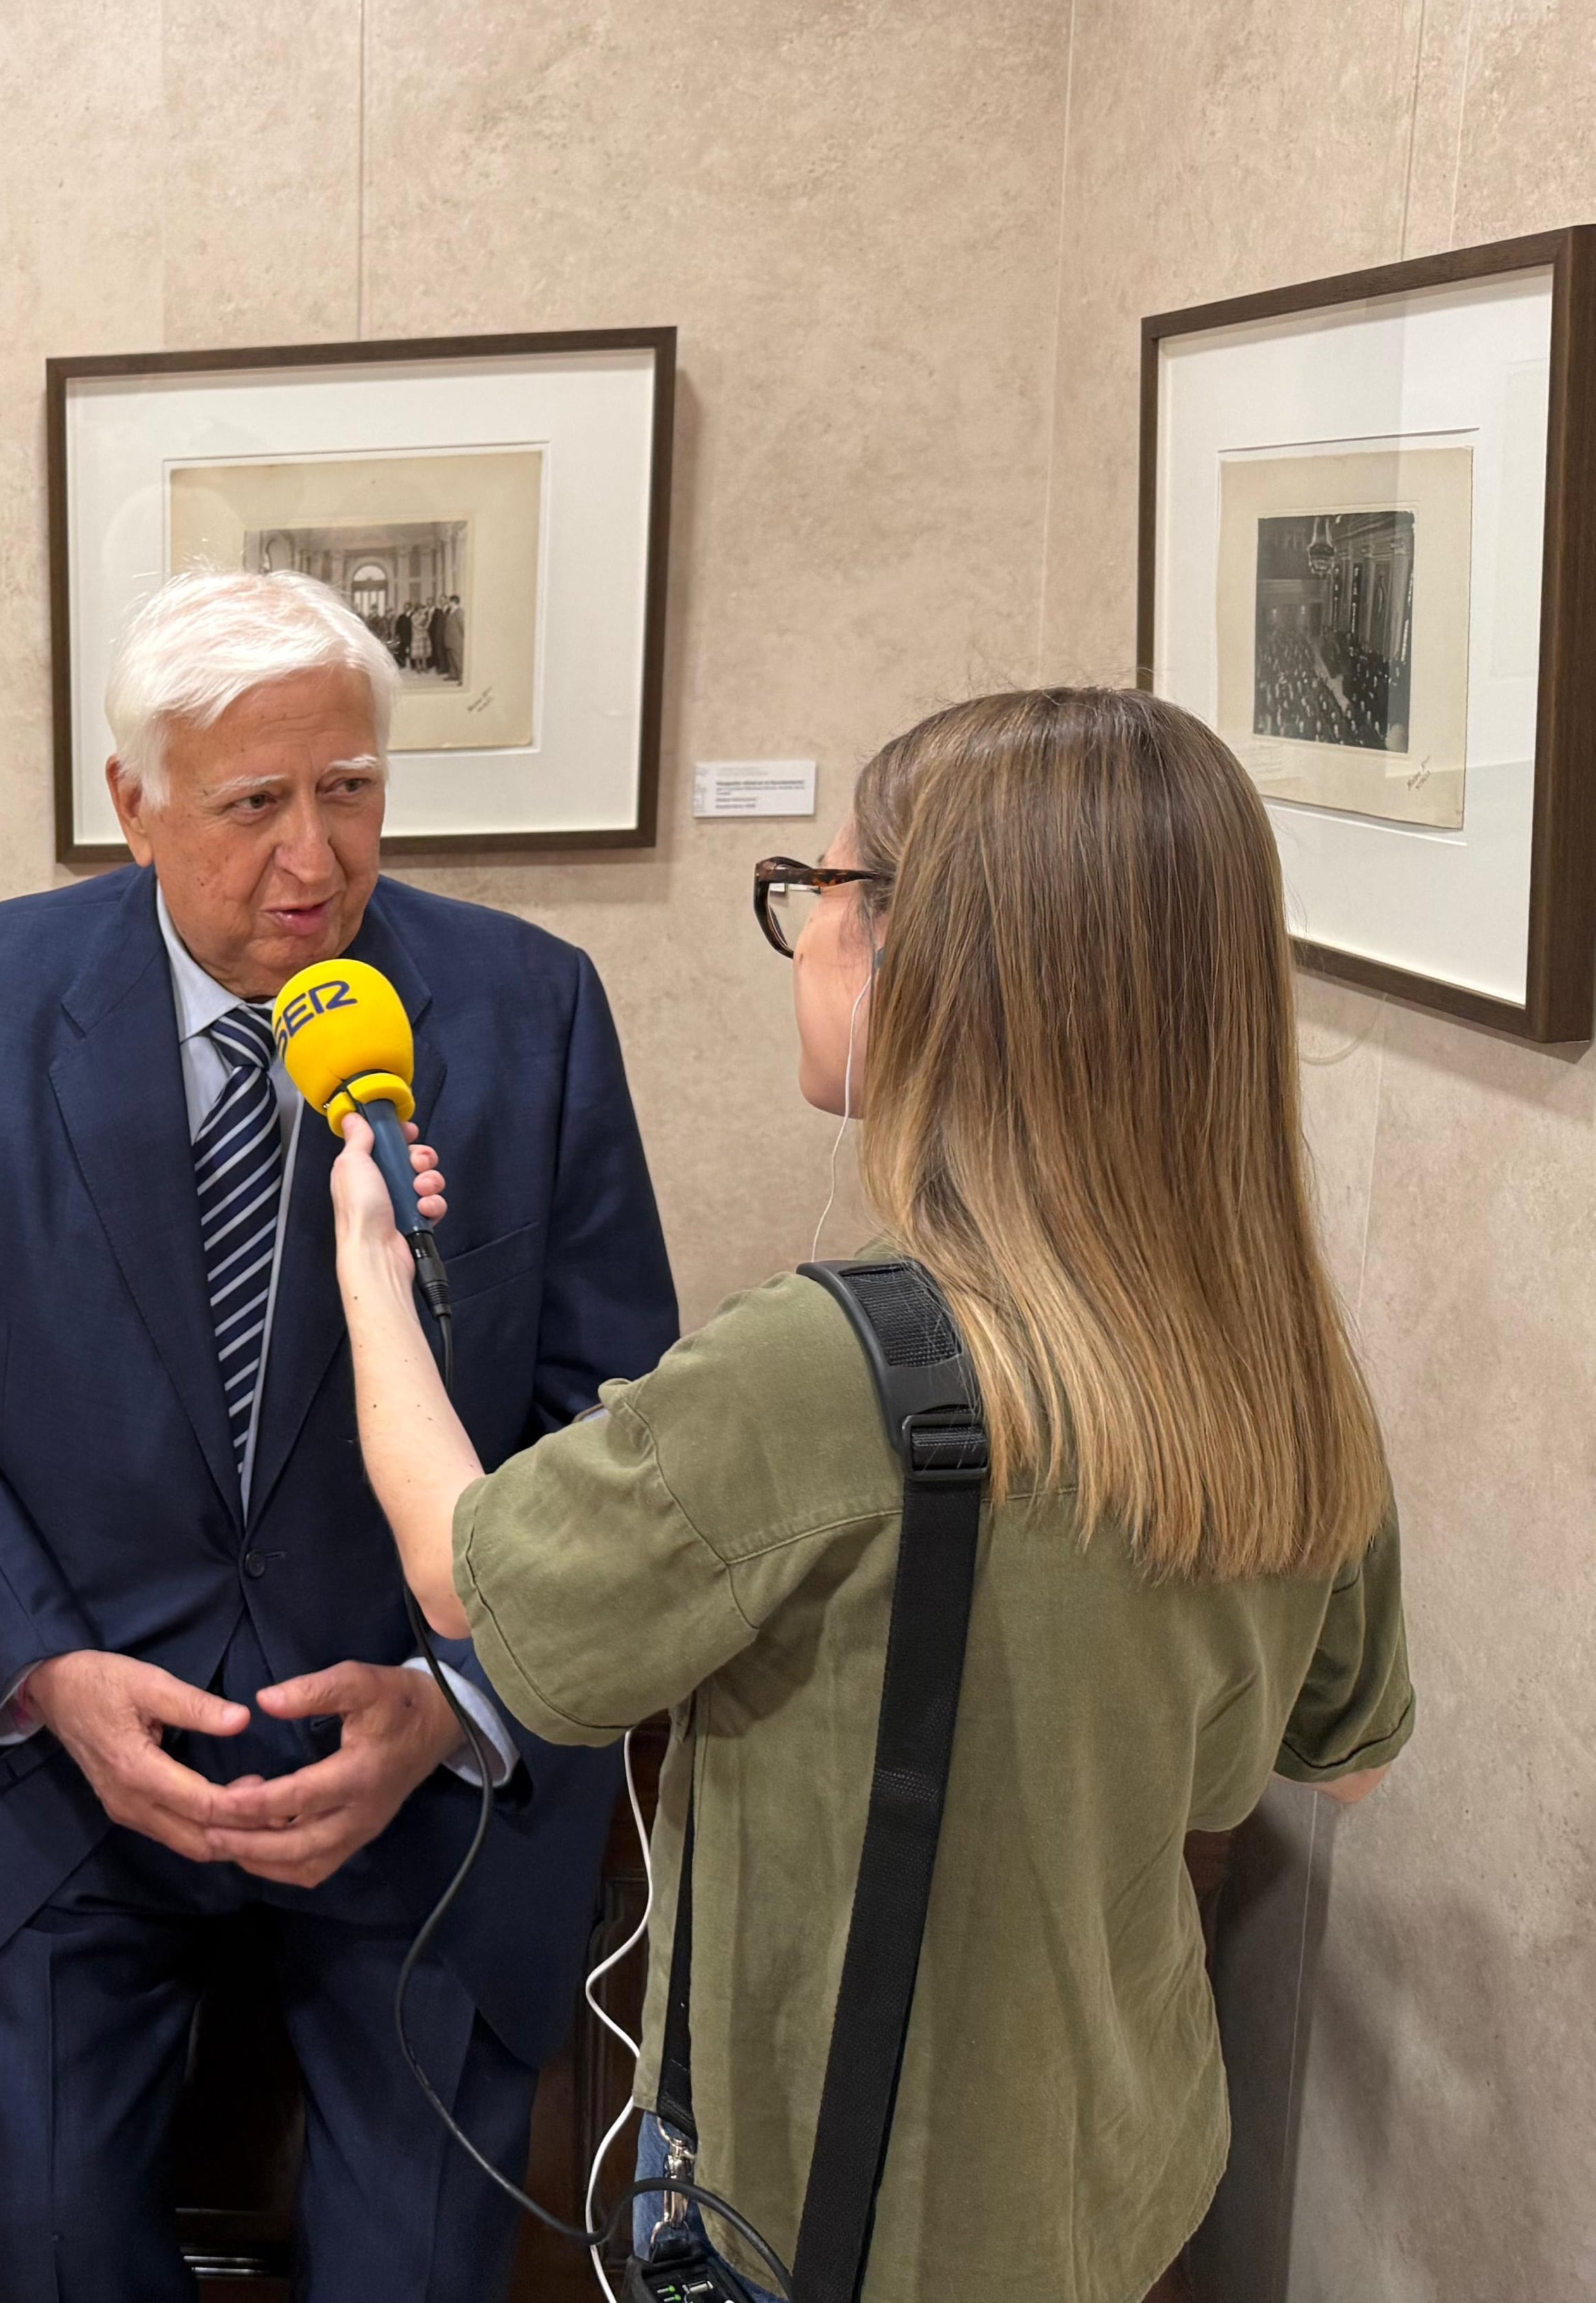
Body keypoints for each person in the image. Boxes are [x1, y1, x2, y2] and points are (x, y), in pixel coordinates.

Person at [322, 686, 1415, 2302]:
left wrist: (364, 1261)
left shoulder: (828, 1373)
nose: (805, 939)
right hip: (1117, 2183)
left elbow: (468, 1578)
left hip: (833, 2221)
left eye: (813, 894)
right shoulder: (1280, 1359)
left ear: (914, 951)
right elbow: (1348, 1762)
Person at [0, 570, 678, 2300]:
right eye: (254, 804)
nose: (312, 859)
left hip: (421, 1779)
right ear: (130, 805)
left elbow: (612, 1416)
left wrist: (452, 1711)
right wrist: (51, 1678)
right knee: (55, 2256)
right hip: (71, 1774)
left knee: (424, 2274)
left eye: (348, 791)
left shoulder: (528, 1007)